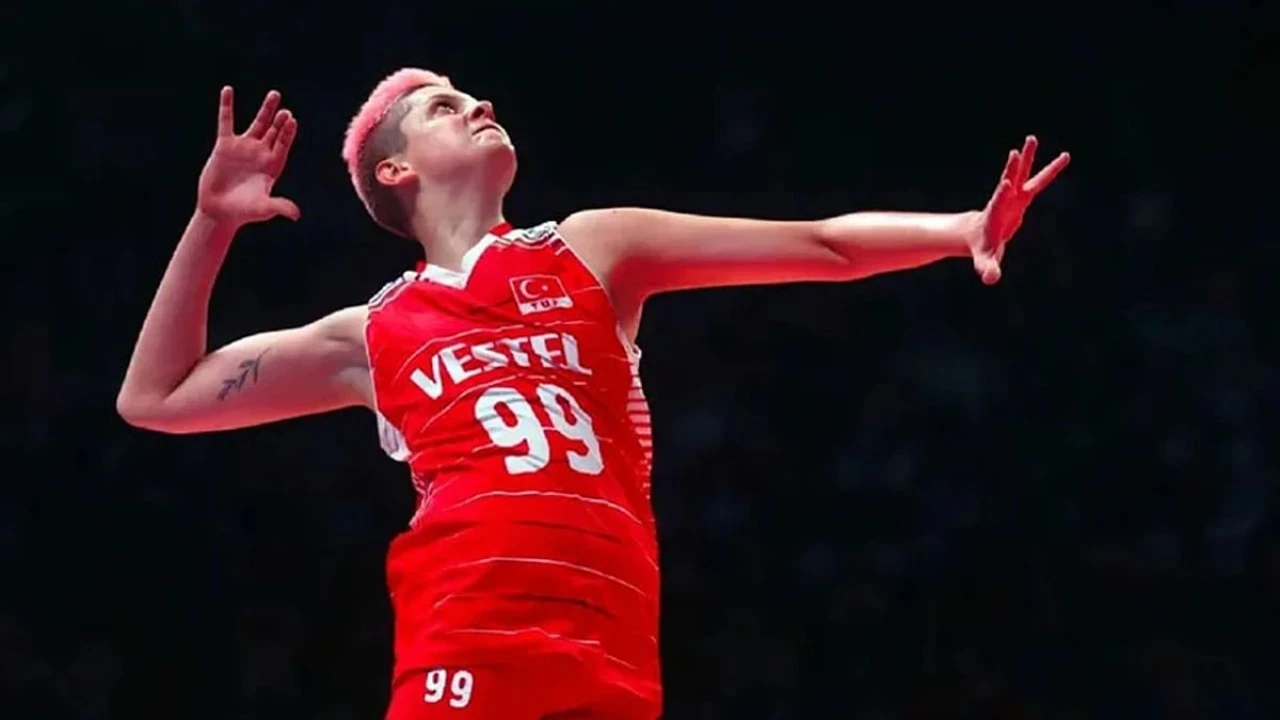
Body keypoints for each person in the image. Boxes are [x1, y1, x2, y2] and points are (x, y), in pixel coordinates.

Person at [116, 68, 1070, 719]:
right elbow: (156, 397)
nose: (479, 103)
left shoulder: (594, 247)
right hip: (466, 633)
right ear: (396, 171)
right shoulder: (370, 332)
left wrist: (961, 229)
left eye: (471, 96)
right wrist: (212, 223)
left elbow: (820, 244)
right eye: (445, 106)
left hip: (609, 643)